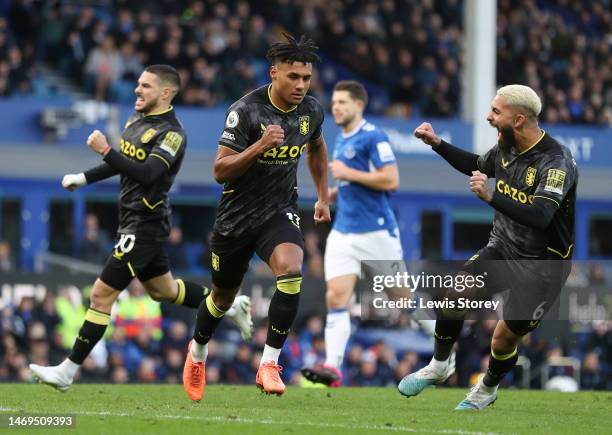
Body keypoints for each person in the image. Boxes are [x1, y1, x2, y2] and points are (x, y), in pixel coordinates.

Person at [29, 65, 252, 391]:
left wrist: (107, 149)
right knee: (164, 291)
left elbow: (147, 173)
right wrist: (84, 177)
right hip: (131, 219)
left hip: (145, 224)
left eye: (145, 86)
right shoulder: (135, 120)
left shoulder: (172, 134)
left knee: (101, 294)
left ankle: (67, 370)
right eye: (137, 84)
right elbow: (122, 162)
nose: (137, 90)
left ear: (165, 93)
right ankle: (230, 305)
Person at [398, 84, 577, 409]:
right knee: (456, 293)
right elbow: (477, 164)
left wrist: (492, 196)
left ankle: (487, 387)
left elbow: (540, 215)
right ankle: (440, 365)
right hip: (503, 249)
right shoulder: (505, 147)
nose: (488, 117)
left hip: (542, 267)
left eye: (496, 112)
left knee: (503, 338)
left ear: (519, 119)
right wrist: (437, 143)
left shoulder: (556, 161)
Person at [182, 33, 331, 401]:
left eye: (306, 78)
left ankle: (269, 363)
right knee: (221, 297)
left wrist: (323, 194)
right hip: (236, 219)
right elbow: (220, 170)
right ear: (274, 73)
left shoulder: (311, 110)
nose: (300, 85)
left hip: (279, 211)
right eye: (293, 77)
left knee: (292, 270)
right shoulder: (245, 111)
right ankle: (197, 352)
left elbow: (316, 146)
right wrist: (260, 145)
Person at [300, 80, 434, 388]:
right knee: (336, 297)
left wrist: (349, 174)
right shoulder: (342, 139)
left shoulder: (373, 136)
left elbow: (391, 180)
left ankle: (441, 336)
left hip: (376, 233)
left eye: (343, 103)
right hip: (344, 232)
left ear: (359, 105)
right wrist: (333, 193)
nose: (336, 107)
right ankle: (332, 368)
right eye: (334, 102)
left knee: (401, 299)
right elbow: (356, 183)